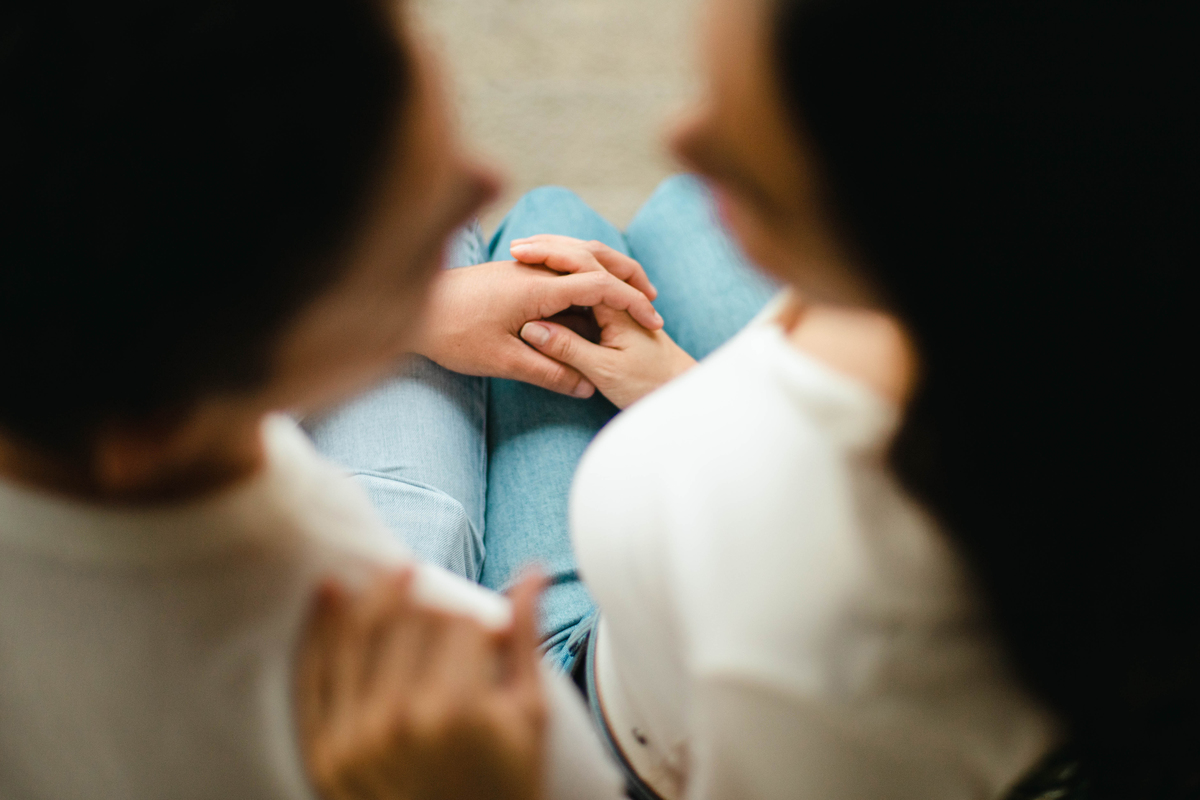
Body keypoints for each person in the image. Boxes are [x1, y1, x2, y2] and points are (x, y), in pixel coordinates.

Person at [308, 0, 1196, 797]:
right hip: (699, 573)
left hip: (591, 719)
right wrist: (677, 383)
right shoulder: (1063, 305)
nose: (683, 133)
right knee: (621, 224)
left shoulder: (809, 641)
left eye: (759, 132)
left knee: (520, 226)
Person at [0, 0, 664, 797]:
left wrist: (400, 308)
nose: (481, 180)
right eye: (400, 235)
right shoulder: (454, 712)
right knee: (555, 219)